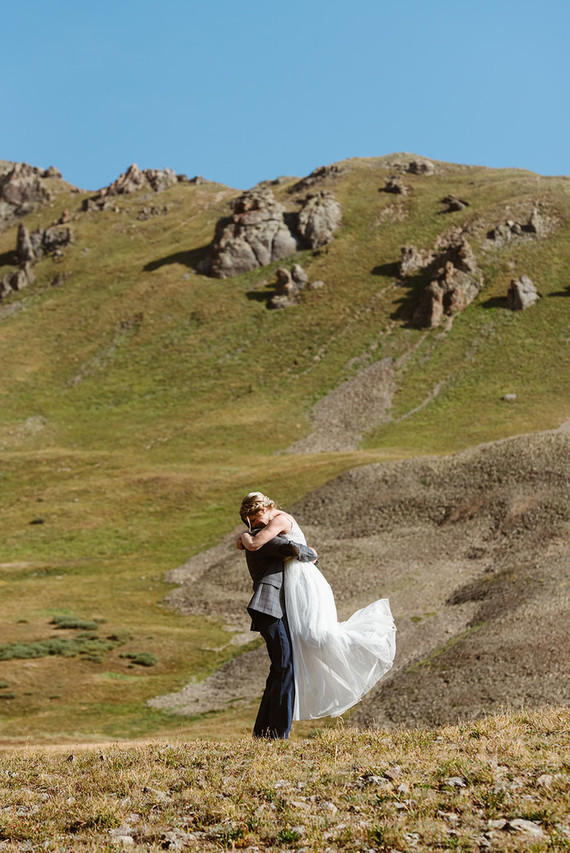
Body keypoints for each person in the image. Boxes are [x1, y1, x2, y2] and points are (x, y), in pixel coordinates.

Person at [238, 492, 396, 722]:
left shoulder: (279, 521)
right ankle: (270, 732)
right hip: (292, 587)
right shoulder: (275, 525)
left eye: (255, 522)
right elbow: (301, 550)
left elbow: (255, 543)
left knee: (315, 635)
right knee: (296, 652)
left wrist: (243, 537)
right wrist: (307, 552)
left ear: (262, 510)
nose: (255, 528)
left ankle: (365, 642)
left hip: (302, 583)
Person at [237, 492, 318, 739]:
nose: (259, 525)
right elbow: (295, 548)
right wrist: (312, 552)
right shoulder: (263, 541)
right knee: (285, 667)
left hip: (272, 610)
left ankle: (263, 732)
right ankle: (278, 735)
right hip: (269, 609)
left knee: (280, 668)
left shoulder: (259, 536)